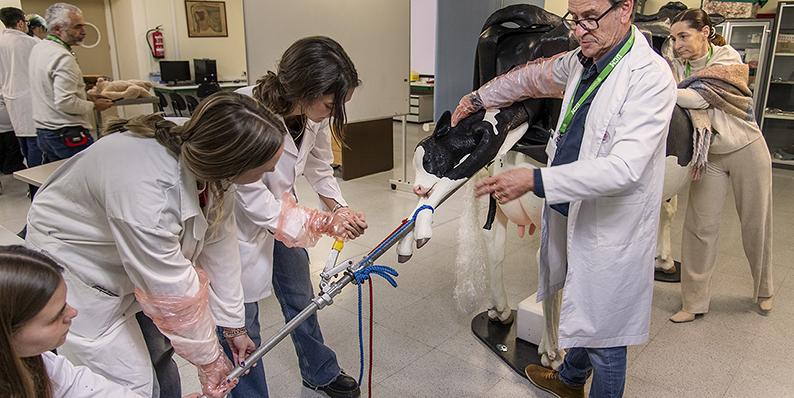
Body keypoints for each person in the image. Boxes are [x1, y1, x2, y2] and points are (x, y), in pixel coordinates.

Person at [450, 0, 676, 396]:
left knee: (605, 336)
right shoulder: (582, 60)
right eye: (576, 17)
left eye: (591, 18)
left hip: (611, 223)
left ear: (625, 9)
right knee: (585, 307)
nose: (580, 29)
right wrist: (478, 98)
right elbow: (529, 79)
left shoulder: (650, 77)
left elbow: (624, 168)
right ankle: (570, 380)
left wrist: (535, 180)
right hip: (571, 206)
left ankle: (581, 382)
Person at [25, 91, 286, 398]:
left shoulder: (205, 150)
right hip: (84, 277)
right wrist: (209, 359)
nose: (270, 173)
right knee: (131, 386)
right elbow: (174, 292)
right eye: (264, 168)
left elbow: (219, 243)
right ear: (234, 163)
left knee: (160, 356)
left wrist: (232, 325)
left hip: (134, 269)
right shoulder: (150, 192)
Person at [225, 36, 367, 398]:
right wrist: (320, 223)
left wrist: (338, 208)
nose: (332, 113)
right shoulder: (242, 113)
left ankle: (318, 372)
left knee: (301, 297)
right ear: (304, 88)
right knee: (241, 325)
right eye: (330, 103)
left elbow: (319, 167)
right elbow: (251, 197)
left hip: (286, 214)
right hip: (235, 228)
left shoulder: (311, 115)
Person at [667, 8, 774, 323]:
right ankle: (693, 302)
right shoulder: (677, 65)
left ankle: (764, 289)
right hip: (708, 154)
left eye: (683, 36)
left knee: (756, 224)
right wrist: (673, 91)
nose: (677, 44)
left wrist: (666, 92)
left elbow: (700, 99)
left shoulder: (729, 60)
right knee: (700, 228)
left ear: (705, 32)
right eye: (674, 38)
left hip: (746, 148)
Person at [0, 245, 205, 398]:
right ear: (7, 334)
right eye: (55, 317)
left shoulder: (41, 362)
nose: (72, 313)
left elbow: (82, 388)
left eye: (66, 303)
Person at [28, 3, 113, 164]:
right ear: (58, 29)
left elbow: (50, 91)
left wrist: (85, 95)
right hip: (67, 135)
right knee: (87, 179)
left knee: (60, 182)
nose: (84, 31)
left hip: (45, 132)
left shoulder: (40, 49)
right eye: (77, 27)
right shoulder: (62, 57)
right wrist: (93, 105)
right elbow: (65, 102)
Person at [0, 6, 41, 197]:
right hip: (29, 99)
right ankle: (37, 189)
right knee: (34, 144)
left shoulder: (1, 41)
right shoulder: (29, 42)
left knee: (23, 142)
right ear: (21, 22)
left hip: (10, 99)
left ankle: (30, 187)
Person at [0, 86, 26, 177]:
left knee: (5, 145)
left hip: (6, 123)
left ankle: (6, 166)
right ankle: (11, 166)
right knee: (14, 146)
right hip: (10, 122)